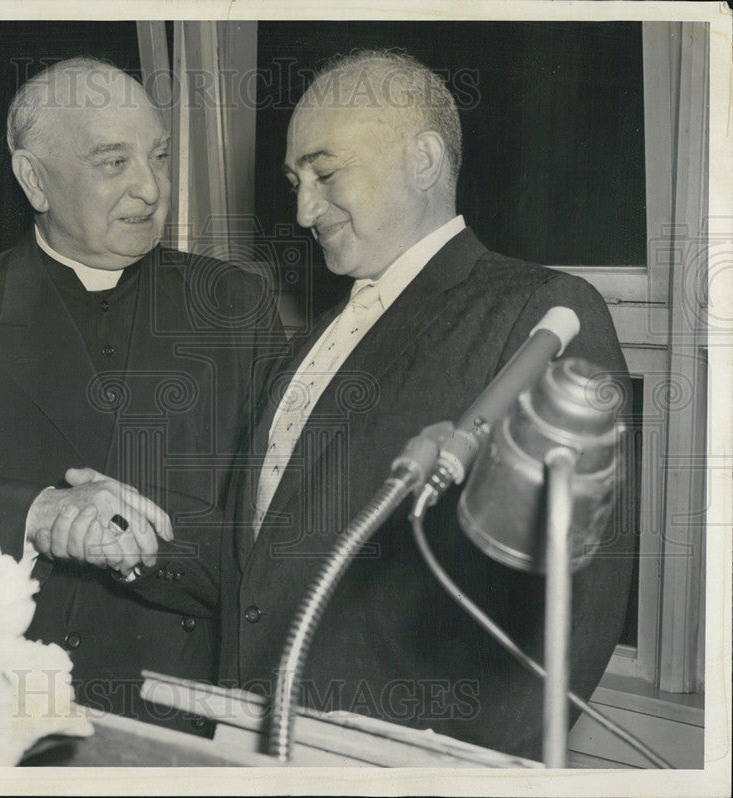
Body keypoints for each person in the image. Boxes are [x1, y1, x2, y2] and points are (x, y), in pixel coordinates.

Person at [122, 50, 634, 760]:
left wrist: (457, 771)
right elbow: (270, 559)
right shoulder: (309, 344)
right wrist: (134, 534)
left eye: (326, 174)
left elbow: (576, 600)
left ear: (423, 159)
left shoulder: (540, 312)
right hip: (256, 743)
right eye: (296, 182)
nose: (302, 209)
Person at [0, 57, 281, 734]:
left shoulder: (233, 304)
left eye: (160, 156)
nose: (150, 188)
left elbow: (276, 518)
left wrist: (148, 542)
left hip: (184, 704)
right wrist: (40, 513)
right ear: (34, 180)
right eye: (114, 162)